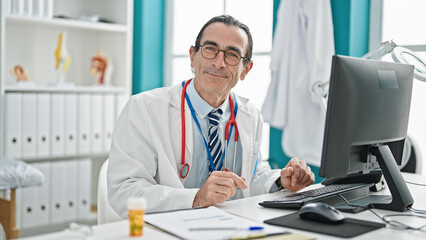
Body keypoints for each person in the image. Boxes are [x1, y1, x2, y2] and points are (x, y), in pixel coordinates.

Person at [108, 15, 315, 218]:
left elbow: (250, 178)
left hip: (229, 227)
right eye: (210, 49)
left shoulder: (249, 115)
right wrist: (196, 198)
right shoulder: (144, 108)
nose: (219, 63)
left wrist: (281, 180)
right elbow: (124, 191)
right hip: (166, 228)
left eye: (232, 54)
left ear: (246, 69)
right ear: (192, 56)